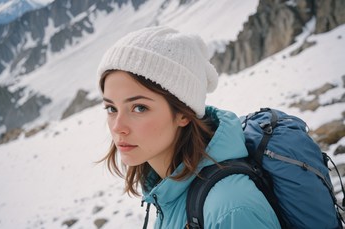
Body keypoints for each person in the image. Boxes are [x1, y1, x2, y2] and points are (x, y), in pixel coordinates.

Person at [97, 26, 280, 229]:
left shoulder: (231, 209)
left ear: (184, 113)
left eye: (140, 108)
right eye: (111, 108)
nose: (118, 127)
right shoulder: (169, 190)